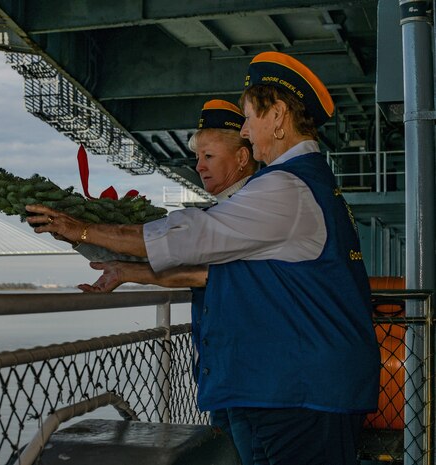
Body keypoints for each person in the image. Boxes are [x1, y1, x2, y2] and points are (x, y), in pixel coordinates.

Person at [28, 51, 380, 465]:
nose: (246, 131)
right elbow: (220, 269)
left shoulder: (286, 188)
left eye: (249, 117)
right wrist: (127, 269)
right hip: (297, 386)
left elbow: (195, 236)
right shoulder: (306, 183)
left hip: (302, 391)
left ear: (279, 115)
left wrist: (81, 230)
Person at [76, 99, 257, 465]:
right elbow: (197, 267)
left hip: (248, 370)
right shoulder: (230, 209)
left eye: (208, 156)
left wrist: (80, 229)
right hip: (228, 368)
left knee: (245, 454)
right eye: (199, 157)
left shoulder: (250, 210)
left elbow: (207, 271)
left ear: (241, 158)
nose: (198, 166)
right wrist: (125, 271)